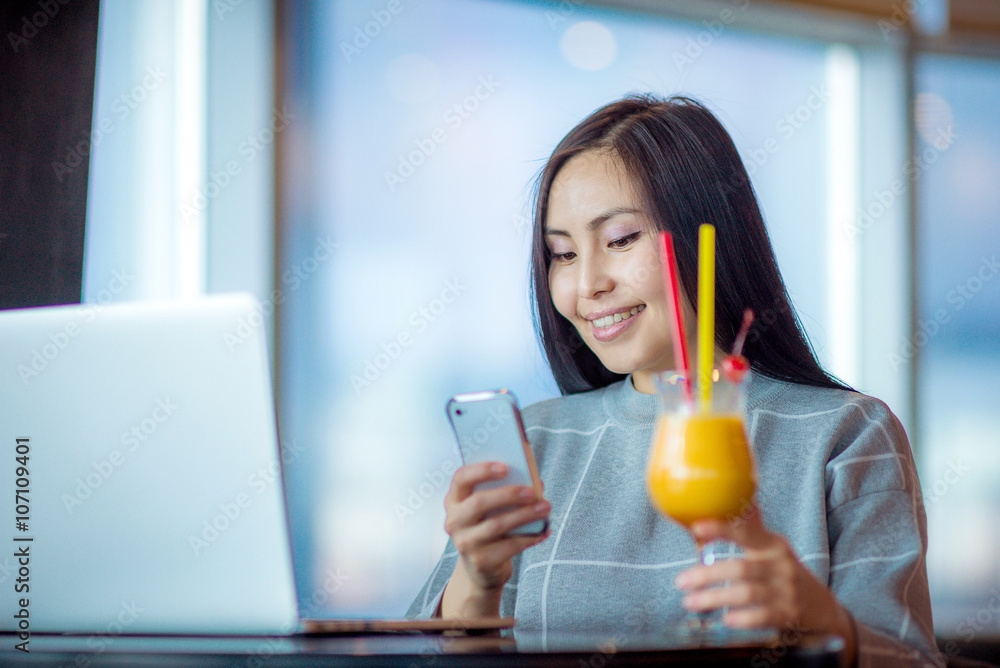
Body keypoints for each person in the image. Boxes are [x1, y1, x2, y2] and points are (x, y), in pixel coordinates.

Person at [406, 94, 941, 668]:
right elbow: (418, 659)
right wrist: (477, 582)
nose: (586, 284)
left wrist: (825, 624)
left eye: (619, 240)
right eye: (561, 254)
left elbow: (913, 660)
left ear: (705, 235)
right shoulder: (537, 444)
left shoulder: (845, 435)